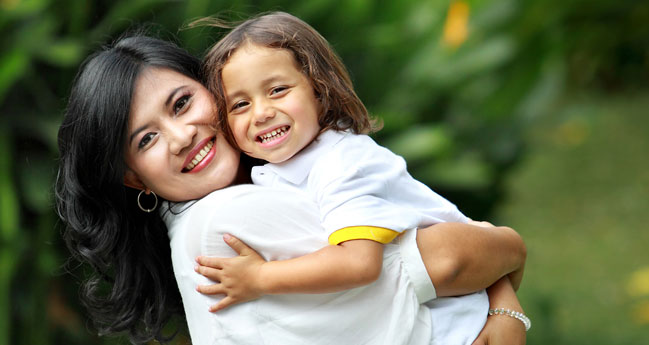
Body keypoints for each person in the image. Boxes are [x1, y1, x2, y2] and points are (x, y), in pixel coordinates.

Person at [56, 34, 526, 345]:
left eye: (182, 103)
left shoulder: (285, 175)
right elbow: (451, 260)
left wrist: (503, 297)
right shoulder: (224, 221)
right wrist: (507, 269)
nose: (182, 136)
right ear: (134, 177)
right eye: (147, 139)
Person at [192, 11, 526, 345]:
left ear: (319, 91)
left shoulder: (342, 162)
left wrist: (259, 277)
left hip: (459, 331)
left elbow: (359, 263)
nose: (261, 112)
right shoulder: (280, 171)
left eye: (278, 90)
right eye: (239, 105)